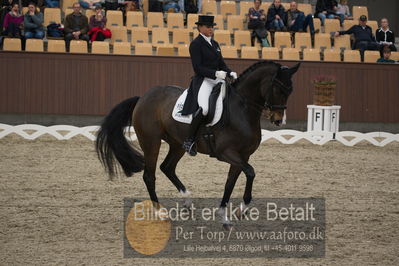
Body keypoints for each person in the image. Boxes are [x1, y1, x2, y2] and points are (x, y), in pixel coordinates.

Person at [180, 15, 237, 156]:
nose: (211, 29)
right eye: (208, 26)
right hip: (203, 80)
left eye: (212, 26)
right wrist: (216, 74)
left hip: (217, 79)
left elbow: (221, 64)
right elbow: (198, 68)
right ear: (200, 27)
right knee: (204, 109)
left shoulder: (215, 44)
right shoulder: (196, 44)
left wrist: (230, 72)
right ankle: (189, 140)